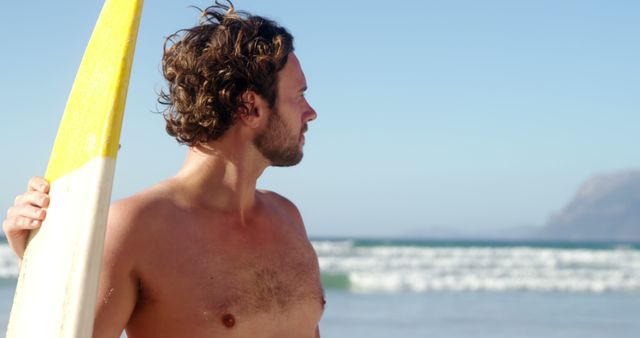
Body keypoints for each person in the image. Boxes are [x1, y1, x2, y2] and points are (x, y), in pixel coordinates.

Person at [2, 3, 323, 338]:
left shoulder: (288, 218)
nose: (311, 112)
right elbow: (64, 327)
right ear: (250, 107)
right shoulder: (134, 229)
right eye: (299, 96)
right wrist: (42, 267)